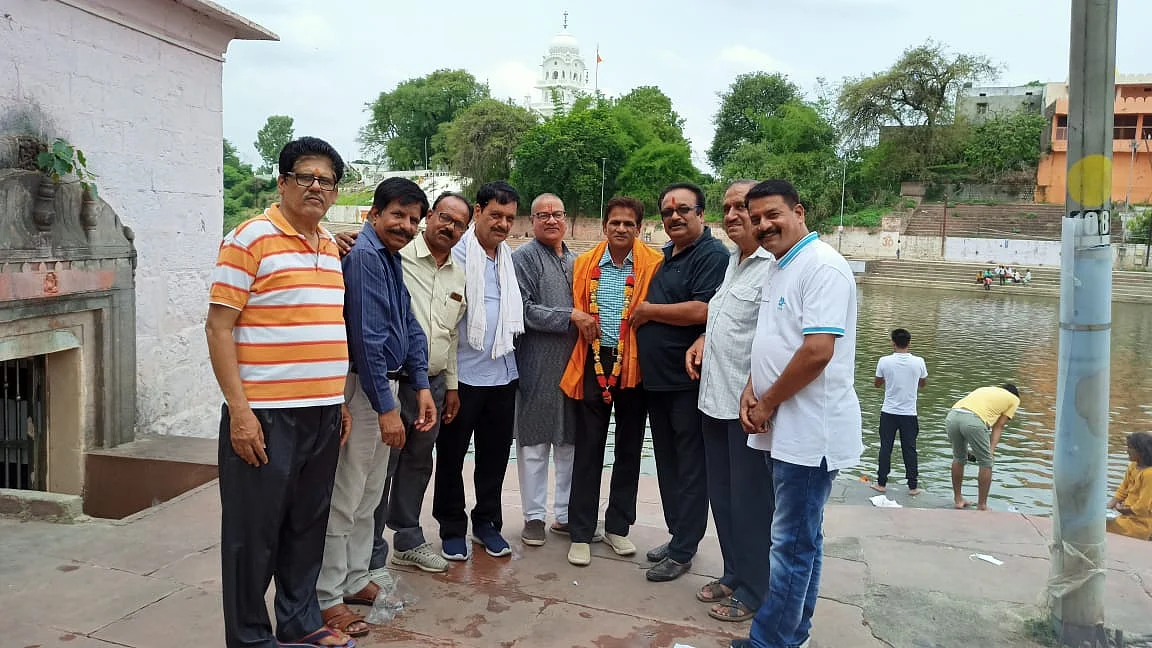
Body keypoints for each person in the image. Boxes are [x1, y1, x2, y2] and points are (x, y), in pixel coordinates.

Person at [206, 137, 356, 648]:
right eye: (306, 177)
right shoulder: (249, 239)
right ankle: (249, 638)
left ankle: (299, 621)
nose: (317, 187)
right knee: (253, 535)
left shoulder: (330, 248)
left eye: (327, 181)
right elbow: (219, 328)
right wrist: (240, 413)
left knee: (306, 525)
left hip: (320, 413)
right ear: (282, 181)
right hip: (266, 415)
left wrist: (336, 400)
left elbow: (322, 325)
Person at [734, 179, 864, 648]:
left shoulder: (822, 266)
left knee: (791, 544)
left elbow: (816, 352)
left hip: (810, 431)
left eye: (773, 215)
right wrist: (751, 389)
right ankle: (794, 633)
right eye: (756, 219)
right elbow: (772, 339)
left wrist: (767, 401)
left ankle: (771, 641)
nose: (764, 226)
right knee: (800, 541)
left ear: (799, 212)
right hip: (781, 425)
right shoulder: (778, 266)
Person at [317, 178, 436, 639]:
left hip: (382, 386)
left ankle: (352, 579)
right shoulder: (365, 257)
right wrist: (386, 408)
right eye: (397, 215)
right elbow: (366, 338)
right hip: (362, 388)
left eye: (412, 219)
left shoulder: (388, 258)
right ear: (373, 214)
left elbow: (408, 323)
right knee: (346, 496)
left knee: (369, 495)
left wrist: (420, 383)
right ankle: (327, 597)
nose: (405, 226)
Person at [684, 180, 775, 623]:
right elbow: (726, 318)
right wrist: (703, 336)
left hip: (746, 410)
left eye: (744, 207)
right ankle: (734, 572)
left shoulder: (774, 266)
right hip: (712, 400)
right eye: (728, 207)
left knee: (751, 503)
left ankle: (757, 590)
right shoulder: (733, 264)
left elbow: (780, 340)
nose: (735, 214)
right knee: (723, 498)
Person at [369, 192, 470, 575]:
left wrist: (453, 385)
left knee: (417, 462)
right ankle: (371, 550)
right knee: (384, 464)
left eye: (459, 224)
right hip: (396, 382)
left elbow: (452, 335)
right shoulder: (395, 257)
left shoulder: (457, 275)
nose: (450, 227)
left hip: (434, 385)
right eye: (444, 217)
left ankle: (407, 539)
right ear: (428, 217)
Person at [634, 182, 729, 582]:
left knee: (690, 467)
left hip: (688, 382)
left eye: (683, 209)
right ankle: (677, 538)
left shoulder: (712, 255)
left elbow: (704, 309)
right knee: (668, 464)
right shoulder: (666, 256)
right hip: (658, 381)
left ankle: (685, 548)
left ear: (701, 215)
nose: (674, 216)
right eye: (667, 211)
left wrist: (647, 311)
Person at [561, 196, 662, 566]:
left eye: (629, 224)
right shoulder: (585, 263)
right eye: (615, 222)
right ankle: (581, 532)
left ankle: (618, 527)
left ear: (640, 228)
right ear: (605, 226)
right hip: (595, 360)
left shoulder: (654, 264)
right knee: (588, 447)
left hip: (636, 363)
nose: (621, 229)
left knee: (629, 448)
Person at [433, 181, 524, 561]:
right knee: (451, 456)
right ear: (479, 211)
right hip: (463, 378)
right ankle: (452, 527)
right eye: (495, 215)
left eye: (509, 218)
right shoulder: (455, 255)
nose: (502, 224)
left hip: (503, 375)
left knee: (494, 457)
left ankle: (487, 524)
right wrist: (450, 384)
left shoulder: (507, 260)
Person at [512, 194, 590, 546]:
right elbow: (524, 311)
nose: (551, 220)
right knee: (534, 442)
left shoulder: (577, 261)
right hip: (535, 362)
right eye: (543, 215)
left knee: (569, 441)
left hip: (574, 363)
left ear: (565, 219)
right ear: (531, 221)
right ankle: (533, 516)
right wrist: (570, 316)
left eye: (557, 213)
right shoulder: (522, 259)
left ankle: (565, 514)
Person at [946, 384, 1021, 511]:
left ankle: (958, 500)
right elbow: (999, 426)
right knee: (986, 463)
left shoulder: (987, 389)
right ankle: (982, 505)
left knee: (959, 458)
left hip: (952, 416)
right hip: (973, 420)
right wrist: (991, 450)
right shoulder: (1014, 399)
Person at [872, 328, 928, 496]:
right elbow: (923, 383)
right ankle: (913, 487)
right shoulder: (919, 362)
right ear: (909, 343)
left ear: (893, 343)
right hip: (909, 413)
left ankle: (881, 484)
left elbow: (877, 384)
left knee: (885, 447)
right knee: (909, 449)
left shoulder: (884, 361)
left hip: (888, 411)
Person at [1107, 432, 1152, 540]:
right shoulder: (1133, 467)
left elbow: (1143, 507)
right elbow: (1122, 490)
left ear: (1141, 451)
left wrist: (1123, 510)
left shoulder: (1149, 474)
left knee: (1096, 527)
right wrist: (1109, 506)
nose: (1127, 451)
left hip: (1140, 524)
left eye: (1130, 447)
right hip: (1125, 516)